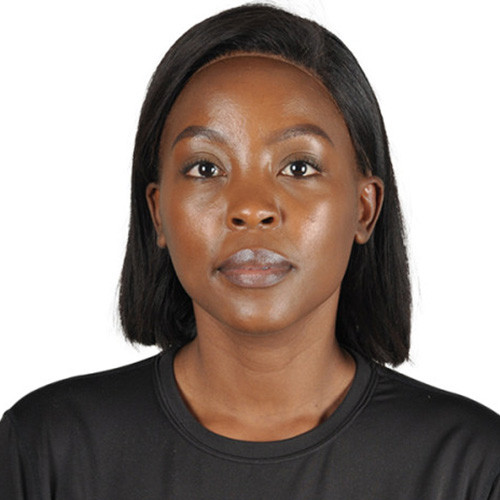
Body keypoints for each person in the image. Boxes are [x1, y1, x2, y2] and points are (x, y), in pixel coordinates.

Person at [1, 4, 499, 499]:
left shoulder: (471, 466)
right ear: (158, 213)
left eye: (299, 167)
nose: (251, 209)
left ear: (364, 210)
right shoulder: (46, 449)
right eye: (206, 168)